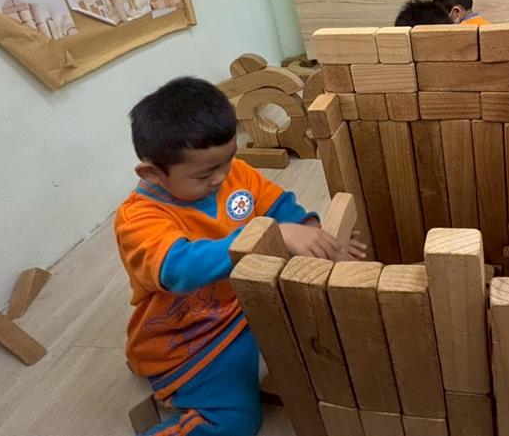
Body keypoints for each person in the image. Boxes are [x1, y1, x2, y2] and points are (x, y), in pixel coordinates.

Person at [115, 77, 365, 436]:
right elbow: (177, 267)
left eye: (228, 161)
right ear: (152, 173)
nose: (221, 178)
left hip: (244, 307)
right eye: (204, 174)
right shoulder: (138, 218)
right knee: (236, 422)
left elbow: (278, 206)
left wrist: (313, 233)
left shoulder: (235, 175)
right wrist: (270, 236)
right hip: (194, 339)